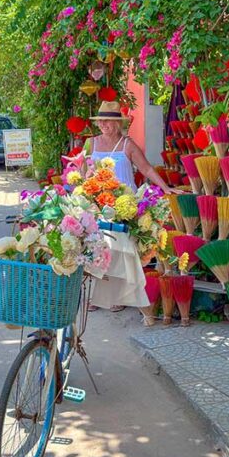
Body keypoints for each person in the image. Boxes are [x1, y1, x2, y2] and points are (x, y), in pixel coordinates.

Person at [85, 101, 176, 315]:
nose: (104, 124)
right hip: (98, 203)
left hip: (125, 204)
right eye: (101, 120)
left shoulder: (128, 145)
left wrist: (166, 187)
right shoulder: (91, 144)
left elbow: (145, 168)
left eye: (109, 120)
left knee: (120, 252)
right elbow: (83, 170)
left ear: (118, 123)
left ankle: (118, 297)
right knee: (99, 250)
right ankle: (99, 296)